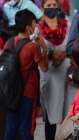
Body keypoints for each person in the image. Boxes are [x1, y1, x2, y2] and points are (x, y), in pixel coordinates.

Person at [3, 9, 48, 140]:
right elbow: (44, 68)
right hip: (27, 93)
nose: (36, 27)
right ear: (28, 28)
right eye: (34, 24)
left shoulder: (10, 42)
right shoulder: (32, 47)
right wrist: (43, 47)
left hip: (10, 91)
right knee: (26, 128)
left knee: (10, 127)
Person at [37, 0, 70, 140]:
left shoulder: (66, 23)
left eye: (54, 5)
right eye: (48, 5)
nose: (51, 8)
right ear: (42, 7)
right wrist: (51, 54)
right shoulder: (37, 27)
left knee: (67, 111)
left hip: (66, 72)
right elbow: (35, 47)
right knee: (50, 114)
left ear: (59, 7)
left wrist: (63, 54)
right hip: (48, 72)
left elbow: (72, 43)